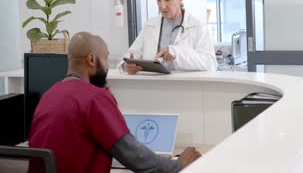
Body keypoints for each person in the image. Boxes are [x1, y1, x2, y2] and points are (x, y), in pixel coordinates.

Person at [29, 32, 201, 173]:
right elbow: (136, 158)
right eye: (105, 59)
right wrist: (178, 165)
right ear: (91, 60)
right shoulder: (93, 98)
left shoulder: (49, 94)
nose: (106, 68)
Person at [118, 0, 217, 74]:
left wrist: (177, 53)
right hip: (152, 88)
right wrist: (126, 65)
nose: (162, 6)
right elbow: (130, 56)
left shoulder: (197, 27)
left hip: (185, 88)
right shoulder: (150, 26)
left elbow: (210, 63)